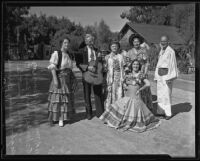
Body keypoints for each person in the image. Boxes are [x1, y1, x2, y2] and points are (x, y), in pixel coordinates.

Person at [99, 59, 160, 132]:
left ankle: (130, 122)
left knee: (133, 109)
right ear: (132, 66)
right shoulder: (128, 74)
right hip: (127, 95)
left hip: (135, 95)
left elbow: (148, 84)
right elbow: (123, 82)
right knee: (122, 107)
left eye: (137, 64)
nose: (135, 66)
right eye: (134, 64)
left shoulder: (141, 74)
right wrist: (125, 86)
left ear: (139, 66)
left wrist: (140, 89)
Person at [47, 37, 77, 127]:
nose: (67, 44)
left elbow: (70, 68)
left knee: (65, 100)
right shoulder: (57, 53)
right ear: (61, 44)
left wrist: (73, 79)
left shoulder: (68, 55)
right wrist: (55, 80)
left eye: (68, 43)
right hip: (59, 79)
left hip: (67, 80)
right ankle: (58, 118)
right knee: (58, 100)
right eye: (65, 43)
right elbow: (52, 67)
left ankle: (62, 118)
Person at [75, 34, 104, 120]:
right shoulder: (81, 51)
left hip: (96, 74)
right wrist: (87, 67)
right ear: (85, 42)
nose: (90, 42)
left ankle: (100, 113)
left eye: (92, 40)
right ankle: (89, 113)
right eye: (88, 41)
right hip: (87, 74)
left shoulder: (97, 50)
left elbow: (100, 63)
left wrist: (100, 58)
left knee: (98, 94)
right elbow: (78, 63)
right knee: (87, 95)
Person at [125, 34, 154, 113]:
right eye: (134, 42)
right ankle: (133, 109)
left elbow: (147, 63)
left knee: (144, 91)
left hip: (142, 73)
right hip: (133, 75)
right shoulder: (129, 52)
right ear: (132, 43)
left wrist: (144, 72)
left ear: (140, 42)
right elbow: (127, 64)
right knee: (135, 91)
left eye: (138, 41)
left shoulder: (143, 51)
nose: (136, 43)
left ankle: (145, 109)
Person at [154, 35, 178, 119]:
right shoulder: (161, 51)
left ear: (168, 42)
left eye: (164, 41)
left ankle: (168, 114)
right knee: (160, 94)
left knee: (167, 95)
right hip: (160, 75)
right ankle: (160, 112)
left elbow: (173, 65)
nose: (163, 43)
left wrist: (170, 77)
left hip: (167, 75)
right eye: (161, 41)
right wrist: (156, 76)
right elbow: (158, 64)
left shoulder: (171, 51)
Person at [104, 40, 125, 110]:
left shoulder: (121, 56)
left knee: (119, 93)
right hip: (111, 78)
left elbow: (123, 67)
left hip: (119, 77)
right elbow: (105, 68)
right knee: (111, 94)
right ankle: (111, 110)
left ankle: (119, 111)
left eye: (116, 46)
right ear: (110, 47)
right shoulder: (107, 57)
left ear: (118, 47)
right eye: (113, 46)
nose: (114, 47)